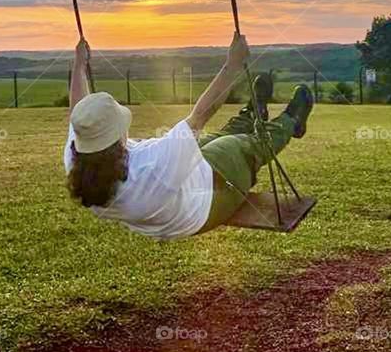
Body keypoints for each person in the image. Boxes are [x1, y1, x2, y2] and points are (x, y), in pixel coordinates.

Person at [64, 35, 313, 239]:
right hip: (204, 206)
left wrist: (79, 64)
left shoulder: (79, 160)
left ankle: (253, 113)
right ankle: (291, 121)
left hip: (178, 194)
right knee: (237, 146)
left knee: (217, 138)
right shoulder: (152, 168)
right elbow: (200, 116)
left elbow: (79, 111)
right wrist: (233, 65)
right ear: (119, 137)